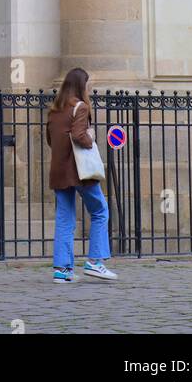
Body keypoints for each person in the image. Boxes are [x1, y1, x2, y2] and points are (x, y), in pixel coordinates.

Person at [45, 67, 117, 282]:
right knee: (100, 211)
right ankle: (95, 262)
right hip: (79, 172)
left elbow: (51, 141)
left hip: (58, 171)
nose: (90, 87)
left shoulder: (54, 110)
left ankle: (63, 270)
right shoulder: (81, 107)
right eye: (89, 83)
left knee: (65, 218)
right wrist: (90, 137)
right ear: (80, 85)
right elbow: (78, 136)